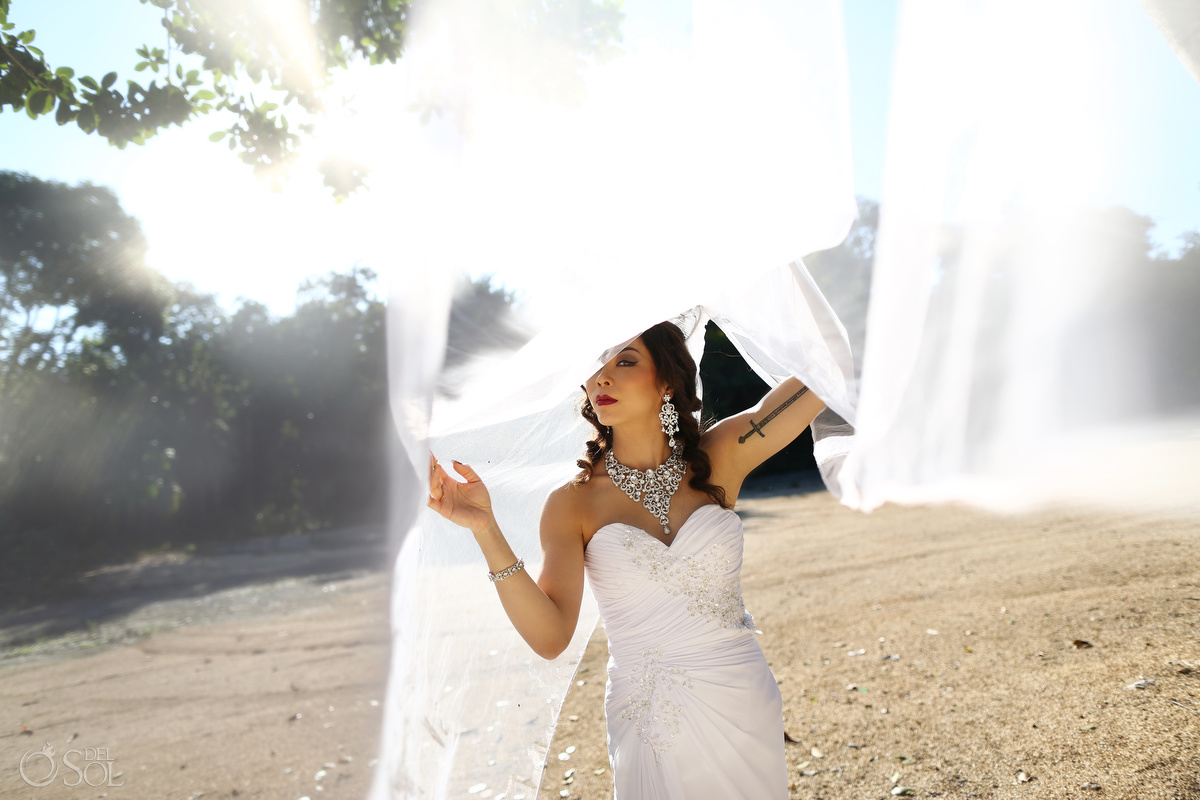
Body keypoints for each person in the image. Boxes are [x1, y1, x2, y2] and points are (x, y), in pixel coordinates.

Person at [426, 319, 826, 799]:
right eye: (596, 368)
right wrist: (486, 529)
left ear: (668, 382)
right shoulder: (572, 504)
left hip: (742, 697)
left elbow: (820, 382)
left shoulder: (720, 457)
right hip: (651, 718)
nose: (602, 379)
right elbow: (551, 638)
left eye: (625, 361)